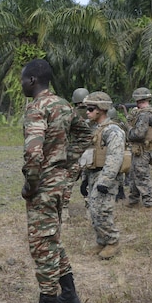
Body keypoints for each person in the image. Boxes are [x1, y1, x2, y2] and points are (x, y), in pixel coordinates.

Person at [15, 60, 83, 303]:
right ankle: (69, 296)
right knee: (51, 239)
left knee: (42, 246)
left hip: (44, 186)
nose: (21, 84)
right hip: (59, 184)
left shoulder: (37, 108)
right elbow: (85, 132)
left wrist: (31, 184)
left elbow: (33, 152)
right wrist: (67, 163)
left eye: (22, 79)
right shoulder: (65, 105)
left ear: (32, 80)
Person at [79, 92, 125, 259]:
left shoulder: (113, 131)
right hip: (93, 174)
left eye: (90, 109)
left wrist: (105, 181)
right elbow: (89, 154)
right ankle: (101, 241)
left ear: (101, 110)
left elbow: (115, 157)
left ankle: (112, 241)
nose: (87, 112)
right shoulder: (94, 129)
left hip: (106, 177)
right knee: (93, 210)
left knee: (102, 211)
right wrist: (84, 179)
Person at [125, 87, 152, 208]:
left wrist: (128, 128)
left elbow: (138, 134)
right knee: (134, 174)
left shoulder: (145, 114)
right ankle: (134, 200)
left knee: (141, 175)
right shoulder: (151, 111)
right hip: (143, 148)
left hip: (143, 149)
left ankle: (148, 202)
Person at [62, 87, 93, 220]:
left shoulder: (71, 113)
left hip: (74, 154)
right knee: (89, 183)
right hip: (92, 155)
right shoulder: (95, 112)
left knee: (68, 183)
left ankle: (64, 211)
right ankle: (89, 209)